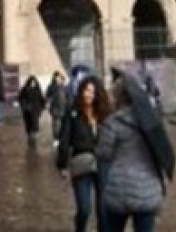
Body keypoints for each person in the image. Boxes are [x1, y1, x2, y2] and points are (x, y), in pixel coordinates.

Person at [98, 78, 170, 232]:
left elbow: (104, 153)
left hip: (119, 190)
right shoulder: (153, 121)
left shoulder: (112, 122)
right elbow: (163, 147)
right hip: (147, 191)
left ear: (119, 97)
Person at [57, 75, 112, 232]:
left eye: (92, 91)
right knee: (84, 208)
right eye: (86, 90)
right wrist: (62, 164)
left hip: (103, 163)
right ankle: (80, 228)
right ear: (81, 91)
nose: (88, 94)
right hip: (81, 162)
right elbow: (64, 138)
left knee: (103, 209)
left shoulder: (104, 113)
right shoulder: (73, 112)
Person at [19, 75, 46, 149]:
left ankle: (34, 134)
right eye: (31, 82)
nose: (32, 83)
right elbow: (20, 98)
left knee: (35, 121)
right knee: (28, 122)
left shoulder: (38, 89)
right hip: (27, 109)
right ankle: (29, 134)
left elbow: (42, 98)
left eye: (34, 82)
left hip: (36, 109)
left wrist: (42, 107)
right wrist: (24, 105)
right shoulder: (25, 89)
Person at [46, 71, 70, 146]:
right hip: (55, 109)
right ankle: (56, 138)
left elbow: (68, 97)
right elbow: (47, 97)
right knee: (56, 125)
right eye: (57, 77)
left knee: (64, 125)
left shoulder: (65, 87)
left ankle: (62, 138)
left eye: (59, 78)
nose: (58, 79)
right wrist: (48, 104)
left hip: (64, 109)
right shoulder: (51, 87)